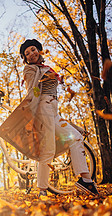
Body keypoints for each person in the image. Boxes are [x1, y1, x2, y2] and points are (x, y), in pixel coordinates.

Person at [19, 39, 99, 197]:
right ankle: (42, 190)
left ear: (40, 50)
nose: (31, 54)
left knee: (76, 138)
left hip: (53, 110)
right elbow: (32, 91)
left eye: (33, 50)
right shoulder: (30, 69)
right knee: (48, 150)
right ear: (25, 59)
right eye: (26, 54)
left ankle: (85, 180)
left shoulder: (46, 68)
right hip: (43, 109)